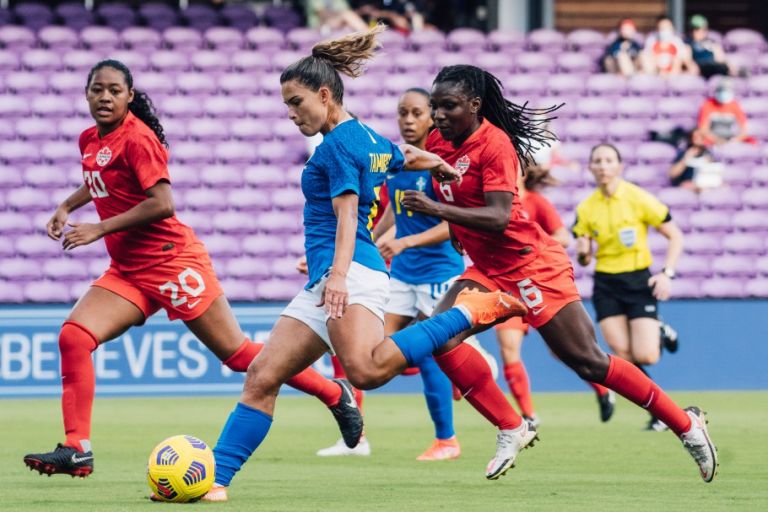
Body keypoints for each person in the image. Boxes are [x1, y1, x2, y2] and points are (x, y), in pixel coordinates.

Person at [203, 26, 530, 502]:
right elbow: (404, 156)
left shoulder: (337, 146)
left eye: (296, 103)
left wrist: (336, 277)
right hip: (332, 273)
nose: (291, 114)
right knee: (263, 376)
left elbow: (348, 212)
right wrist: (437, 166)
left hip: (351, 270)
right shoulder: (368, 137)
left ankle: (469, 313)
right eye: (286, 106)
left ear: (323, 94)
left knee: (366, 372)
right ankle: (214, 482)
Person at [22, 59, 364, 478]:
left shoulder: (139, 138)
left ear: (130, 96)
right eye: (98, 89)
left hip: (172, 261)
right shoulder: (89, 140)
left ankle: (333, 392)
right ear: (87, 94)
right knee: (74, 336)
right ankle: (78, 447)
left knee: (237, 355)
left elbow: (162, 203)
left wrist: (99, 228)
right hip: (129, 270)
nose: (105, 97)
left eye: (114, 90)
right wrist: (67, 205)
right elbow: (103, 181)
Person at [399, 64, 718, 483]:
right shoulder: (440, 141)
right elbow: (437, 175)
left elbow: (497, 217)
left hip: (531, 266)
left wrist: (438, 211)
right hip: (489, 270)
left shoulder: (494, 146)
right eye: (434, 107)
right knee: (441, 335)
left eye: (448, 106)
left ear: (475, 105)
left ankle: (685, 424)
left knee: (587, 362)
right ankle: (511, 426)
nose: (437, 116)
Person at [493, 165, 615, 425]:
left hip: (539, 285)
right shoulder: (494, 205)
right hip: (507, 285)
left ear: (522, 174)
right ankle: (529, 415)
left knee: (564, 351)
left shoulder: (537, 203)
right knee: (508, 349)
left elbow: (563, 237)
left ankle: (603, 390)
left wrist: (532, 245)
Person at [574, 143, 684, 431]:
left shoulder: (637, 198)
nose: (603, 165)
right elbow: (584, 257)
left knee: (647, 355)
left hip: (637, 280)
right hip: (606, 283)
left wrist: (667, 274)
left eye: (609, 160)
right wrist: (584, 252)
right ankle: (661, 412)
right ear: (590, 168)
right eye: (597, 160)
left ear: (620, 166)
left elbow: (675, 235)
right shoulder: (587, 207)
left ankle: (658, 328)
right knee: (622, 354)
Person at [697, 78, 750, 146]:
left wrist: (734, 140)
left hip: (730, 141)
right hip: (712, 142)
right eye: (722, 90)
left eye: (727, 90)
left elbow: (744, 130)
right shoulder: (708, 105)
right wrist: (717, 140)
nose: (724, 93)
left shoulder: (735, 106)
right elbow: (703, 129)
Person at [685, 14, 737, 79]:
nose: (697, 32)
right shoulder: (688, 43)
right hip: (701, 66)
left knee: (722, 68)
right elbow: (687, 58)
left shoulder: (711, 42)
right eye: (695, 29)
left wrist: (730, 67)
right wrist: (692, 66)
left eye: (701, 29)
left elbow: (721, 57)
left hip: (714, 65)